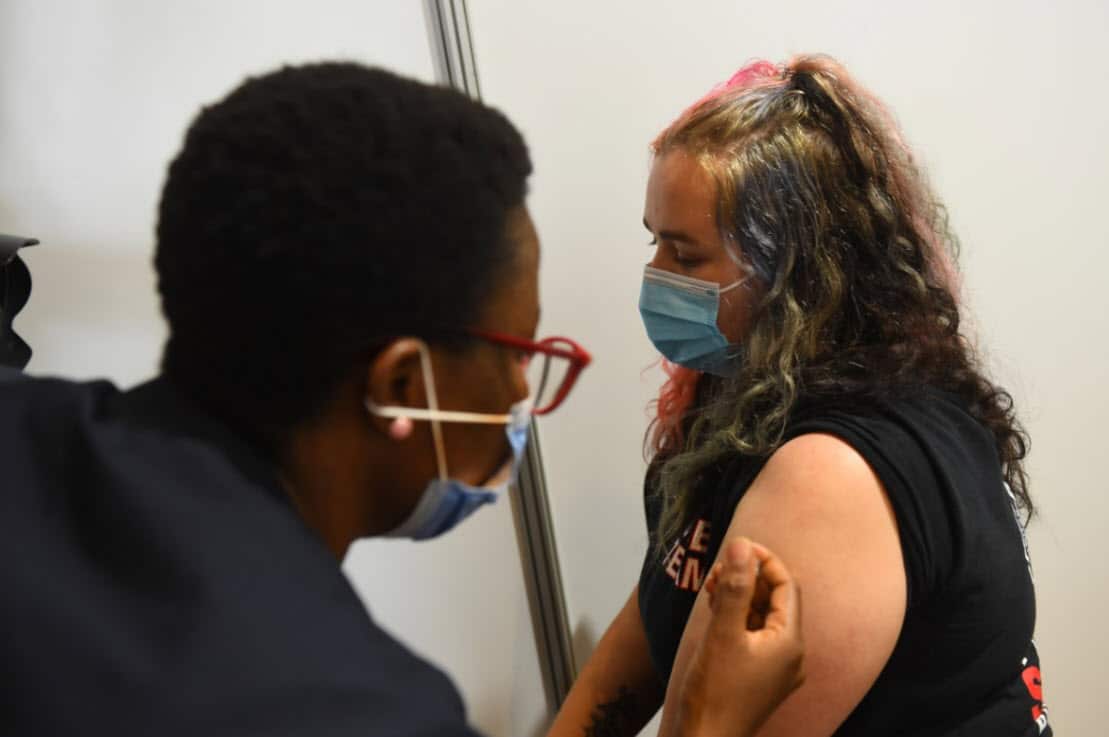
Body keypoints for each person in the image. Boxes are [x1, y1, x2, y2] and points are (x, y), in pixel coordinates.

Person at [0, 63, 803, 737]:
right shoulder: (348, 710)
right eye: (515, 354)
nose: (522, 393)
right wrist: (706, 723)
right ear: (400, 385)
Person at [548, 55, 1051, 737]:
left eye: (686, 255)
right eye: (653, 242)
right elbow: (663, 597)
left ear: (793, 271)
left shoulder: (829, 481)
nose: (654, 276)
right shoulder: (740, 395)